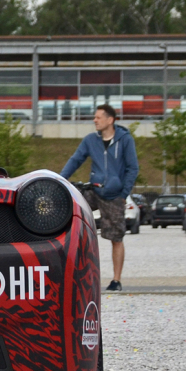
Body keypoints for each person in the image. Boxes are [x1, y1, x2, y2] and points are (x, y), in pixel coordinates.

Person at [60, 104, 139, 292]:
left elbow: (132, 168)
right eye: (94, 117)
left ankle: (116, 280)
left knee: (116, 238)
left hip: (114, 195)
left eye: (98, 117)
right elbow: (75, 160)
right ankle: (72, 274)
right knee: (69, 211)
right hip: (94, 190)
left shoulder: (125, 140)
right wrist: (60, 180)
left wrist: (123, 193)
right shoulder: (90, 140)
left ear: (110, 120)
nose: (94, 120)